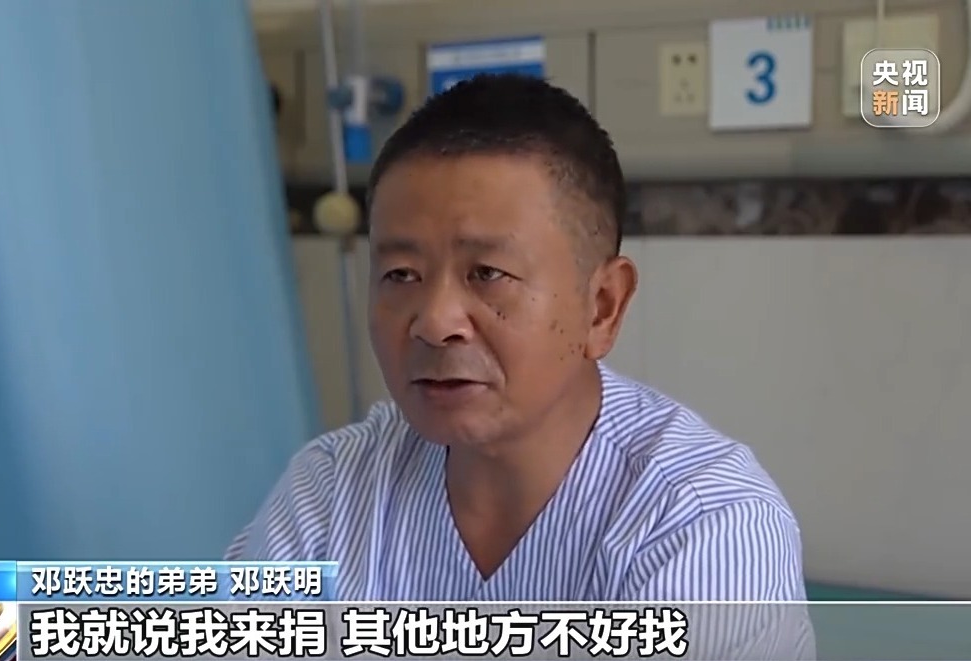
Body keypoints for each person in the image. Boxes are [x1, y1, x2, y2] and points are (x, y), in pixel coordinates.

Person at [228, 74, 814, 656]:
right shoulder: (331, 493)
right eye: (401, 274)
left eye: (488, 274)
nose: (434, 321)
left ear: (602, 307)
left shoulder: (702, 524)